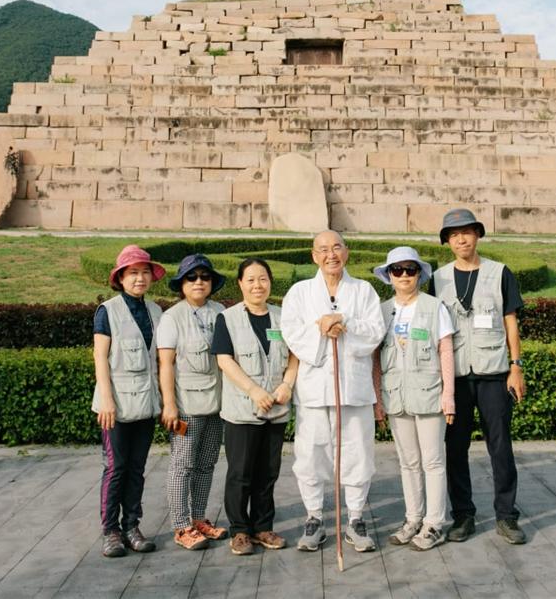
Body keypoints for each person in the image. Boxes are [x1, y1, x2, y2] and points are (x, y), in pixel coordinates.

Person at [281, 230, 385, 553]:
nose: (331, 255)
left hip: (352, 389)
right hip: (314, 389)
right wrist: (321, 329)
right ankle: (314, 518)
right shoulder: (299, 293)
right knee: (310, 455)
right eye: (323, 249)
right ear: (314, 256)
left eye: (336, 247)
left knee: (357, 452)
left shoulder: (364, 290)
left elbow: (375, 331)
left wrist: (346, 324)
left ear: (347, 252)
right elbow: (291, 332)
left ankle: (355, 518)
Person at [433, 208, 528, 545]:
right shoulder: (437, 278)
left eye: (468, 231)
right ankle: (463, 515)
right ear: (447, 241)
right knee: (455, 449)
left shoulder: (500, 273)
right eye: (454, 233)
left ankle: (506, 516)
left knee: (500, 446)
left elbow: (510, 321)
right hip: (455, 376)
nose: (462, 238)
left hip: (493, 373)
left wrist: (516, 367)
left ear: (478, 235)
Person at [212, 258, 301, 556]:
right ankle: (239, 531)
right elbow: (224, 359)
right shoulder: (227, 318)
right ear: (240, 284)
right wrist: (253, 390)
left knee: (268, 472)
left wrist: (287, 384)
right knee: (240, 473)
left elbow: (294, 356)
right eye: (250, 279)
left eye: (262, 279)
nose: (257, 285)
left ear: (270, 282)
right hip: (242, 410)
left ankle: (263, 527)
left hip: (275, 409)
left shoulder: (282, 317)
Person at [371, 246, 456, 551]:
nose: (404, 275)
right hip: (396, 396)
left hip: (429, 393)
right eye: (398, 270)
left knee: (433, 461)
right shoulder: (382, 311)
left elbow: (445, 350)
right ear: (389, 276)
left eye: (410, 269)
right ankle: (413, 518)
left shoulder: (435, 307)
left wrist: (449, 396)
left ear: (420, 273)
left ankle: (434, 523)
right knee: (408, 462)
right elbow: (376, 359)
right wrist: (377, 398)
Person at [91, 245, 166, 558]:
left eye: (144, 272)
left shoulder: (156, 311)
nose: (139, 278)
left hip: (147, 403)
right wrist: (106, 399)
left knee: (137, 467)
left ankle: (132, 525)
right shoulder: (107, 310)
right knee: (116, 467)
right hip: (117, 405)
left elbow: (161, 360)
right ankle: (111, 530)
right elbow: (100, 356)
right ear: (120, 278)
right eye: (133, 273)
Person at [156, 253, 228, 550]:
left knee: (207, 463)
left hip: (217, 404)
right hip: (186, 405)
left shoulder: (220, 311)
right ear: (181, 284)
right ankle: (181, 525)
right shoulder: (172, 317)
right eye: (191, 277)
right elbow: (166, 364)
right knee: (182, 464)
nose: (199, 282)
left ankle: (199, 518)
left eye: (205, 277)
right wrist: (169, 405)